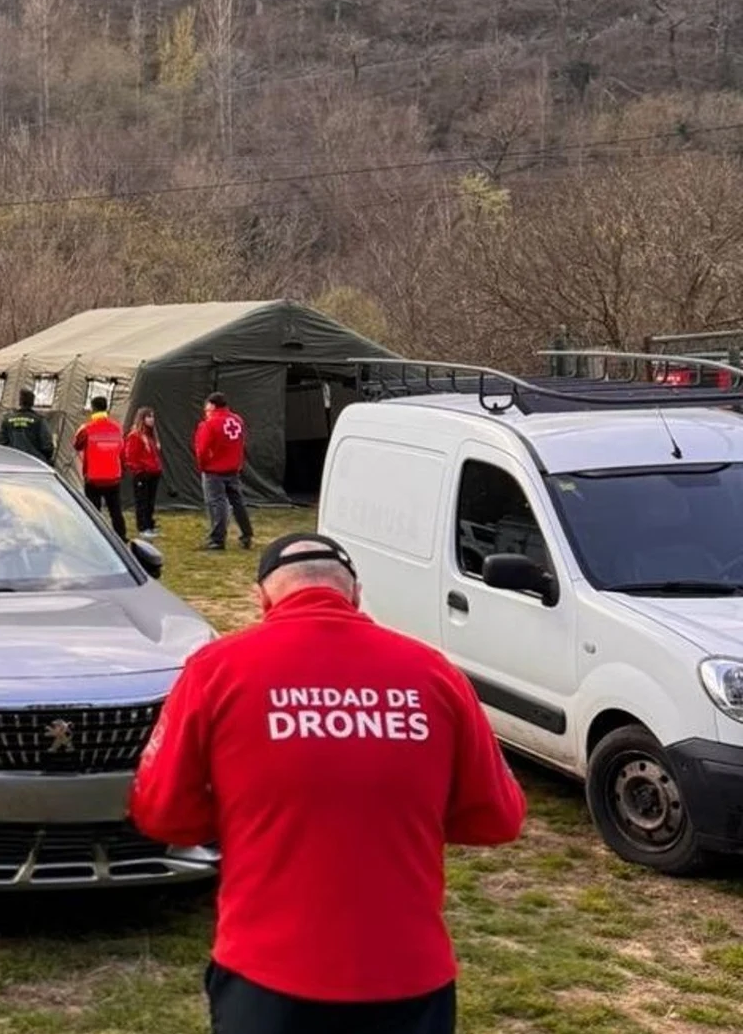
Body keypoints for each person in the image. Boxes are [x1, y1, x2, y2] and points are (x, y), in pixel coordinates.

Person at [129, 533, 526, 1034]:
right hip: (407, 975)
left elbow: (161, 812)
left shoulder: (217, 671)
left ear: (264, 600)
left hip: (267, 975)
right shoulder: (434, 674)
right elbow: (498, 816)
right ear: (356, 595)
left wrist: (247, 817)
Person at [195, 392, 253, 550]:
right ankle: (247, 534)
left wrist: (203, 466)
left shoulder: (210, 423)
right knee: (238, 502)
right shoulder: (237, 420)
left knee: (217, 503)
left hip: (214, 470)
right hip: (233, 468)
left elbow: (202, 449)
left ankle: (217, 539)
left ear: (212, 405)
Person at [72, 395, 127, 540]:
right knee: (115, 509)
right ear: (106, 408)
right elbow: (122, 449)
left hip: (94, 477)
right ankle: (121, 536)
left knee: (93, 510)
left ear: (92, 408)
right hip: (113, 476)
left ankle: (95, 538)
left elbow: (76, 444)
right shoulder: (117, 428)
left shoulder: (86, 428)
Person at [124, 405, 164, 539]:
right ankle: (143, 527)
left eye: (152, 416)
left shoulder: (151, 436)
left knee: (150, 501)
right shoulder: (135, 436)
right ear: (142, 418)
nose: (151, 419)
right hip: (142, 473)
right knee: (142, 500)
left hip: (153, 473)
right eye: (148, 416)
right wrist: (138, 471)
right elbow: (130, 456)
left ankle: (149, 524)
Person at [0, 388, 55, 465]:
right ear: (32, 402)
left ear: (20, 402)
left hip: (11, 462)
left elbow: (1, 442)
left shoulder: (7, 419)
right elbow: (47, 445)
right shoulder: (39, 420)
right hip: (34, 462)